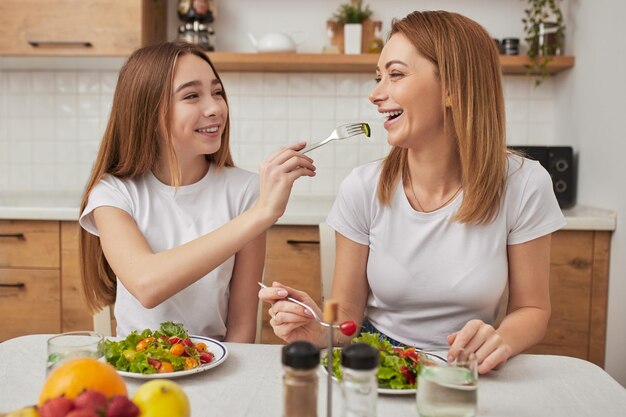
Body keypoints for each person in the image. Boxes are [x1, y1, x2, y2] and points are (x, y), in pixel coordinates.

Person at [259, 10, 565, 374]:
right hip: (378, 365)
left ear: (452, 87)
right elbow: (347, 318)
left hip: (466, 369)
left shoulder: (525, 183)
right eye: (378, 77)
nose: (375, 94)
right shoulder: (362, 187)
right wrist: (317, 326)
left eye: (396, 74)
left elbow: (532, 310)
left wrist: (501, 340)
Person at [79, 41, 316, 341]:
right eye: (192, 95)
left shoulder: (244, 191)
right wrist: (260, 215)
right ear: (147, 111)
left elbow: (242, 324)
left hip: (217, 365)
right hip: (138, 369)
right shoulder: (113, 193)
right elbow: (146, 284)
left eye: (217, 92)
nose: (215, 108)